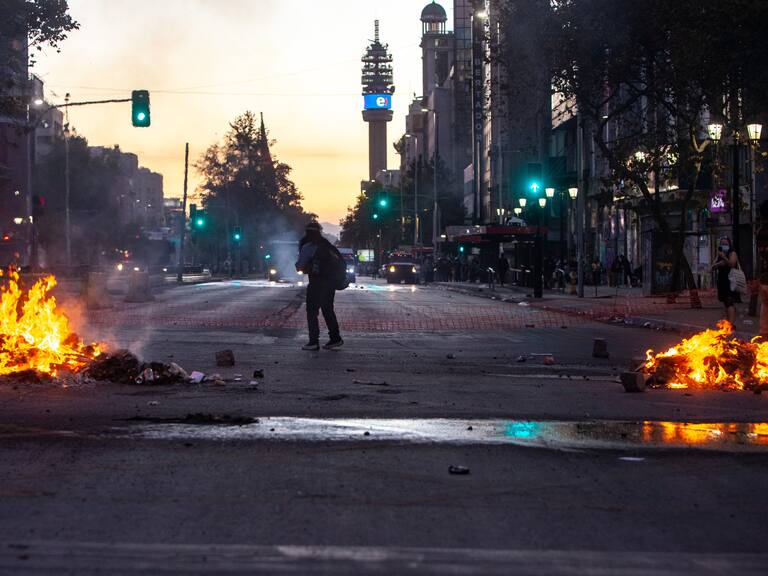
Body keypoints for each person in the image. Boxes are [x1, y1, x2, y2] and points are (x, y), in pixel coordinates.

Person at [295, 221, 343, 351]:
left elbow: (299, 266)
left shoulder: (308, 247)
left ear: (307, 233)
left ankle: (313, 341)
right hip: (330, 283)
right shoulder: (327, 245)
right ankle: (335, 338)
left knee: (311, 312)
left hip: (316, 283)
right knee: (328, 310)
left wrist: (306, 266)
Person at [712, 236, 740, 324]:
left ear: (729, 244)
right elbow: (713, 266)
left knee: (729, 301)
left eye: (726, 244)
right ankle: (727, 322)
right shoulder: (719, 254)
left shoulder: (732, 253)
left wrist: (724, 258)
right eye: (722, 244)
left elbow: (732, 264)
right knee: (725, 301)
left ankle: (731, 324)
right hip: (722, 280)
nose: (724, 245)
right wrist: (719, 262)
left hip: (730, 280)